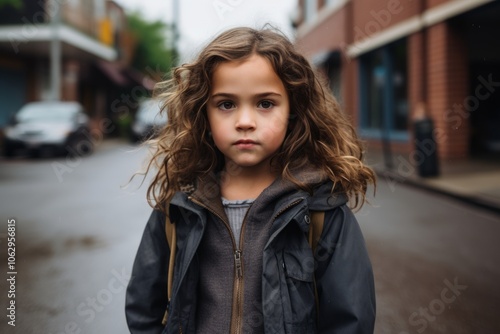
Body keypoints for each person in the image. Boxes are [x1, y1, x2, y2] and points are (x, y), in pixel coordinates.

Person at [126, 26, 377, 334]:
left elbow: (350, 320)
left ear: (293, 111)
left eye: (265, 103)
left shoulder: (321, 210)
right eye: (226, 104)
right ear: (204, 114)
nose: (245, 122)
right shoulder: (178, 207)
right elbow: (144, 307)